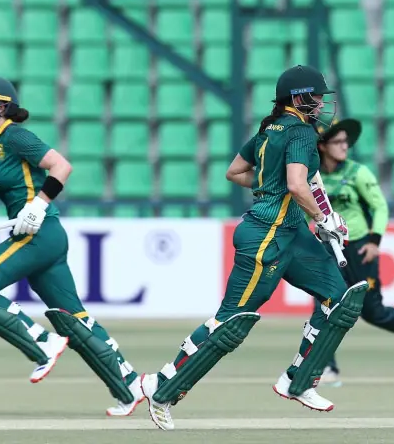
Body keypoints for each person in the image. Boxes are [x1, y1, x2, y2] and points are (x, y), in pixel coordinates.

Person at [139, 65, 368, 431]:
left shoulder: (268, 131)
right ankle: (161, 386)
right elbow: (297, 184)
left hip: (291, 232)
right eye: (318, 95)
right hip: (266, 236)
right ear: (299, 98)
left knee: (340, 300)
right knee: (232, 323)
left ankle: (298, 380)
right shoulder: (300, 133)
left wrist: (274, 189)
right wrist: (321, 219)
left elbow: (237, 172)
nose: (323, 102)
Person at [0, 76, 144, 417]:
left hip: (40, 231)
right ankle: (129, 386)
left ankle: (43, 344)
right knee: (73, 320)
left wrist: (39, 203)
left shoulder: (16, 136)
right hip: (31, 233)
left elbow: (61, 166)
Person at [315, 118, 394, 387]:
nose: (344, 146)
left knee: (372, 311)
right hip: (328, 247)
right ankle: (326, 366)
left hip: (360, 245)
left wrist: (375, 241)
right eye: (338, 142)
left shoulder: (357, 173)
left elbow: (380, 207)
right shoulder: (311, 175)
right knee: (325, 304)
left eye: (346, 142)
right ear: (322, 145)